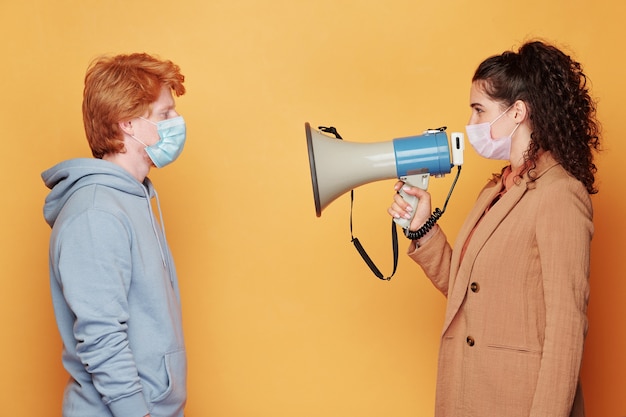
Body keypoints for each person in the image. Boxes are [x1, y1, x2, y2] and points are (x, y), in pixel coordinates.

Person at [388, 40, 600, 417]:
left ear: (517, 112)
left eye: (478, 111)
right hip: (468, 392)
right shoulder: (495, 190)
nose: (470, 125)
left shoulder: (560, 194)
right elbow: (466, 289)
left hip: (519, 400)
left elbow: (566, 329)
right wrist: (423, 228)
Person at [42, 53, 188, 417]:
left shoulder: (133, 197)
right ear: (128, 124)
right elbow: (102, 336)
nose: (177, 122)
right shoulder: (97, 213)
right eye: (165, 114)